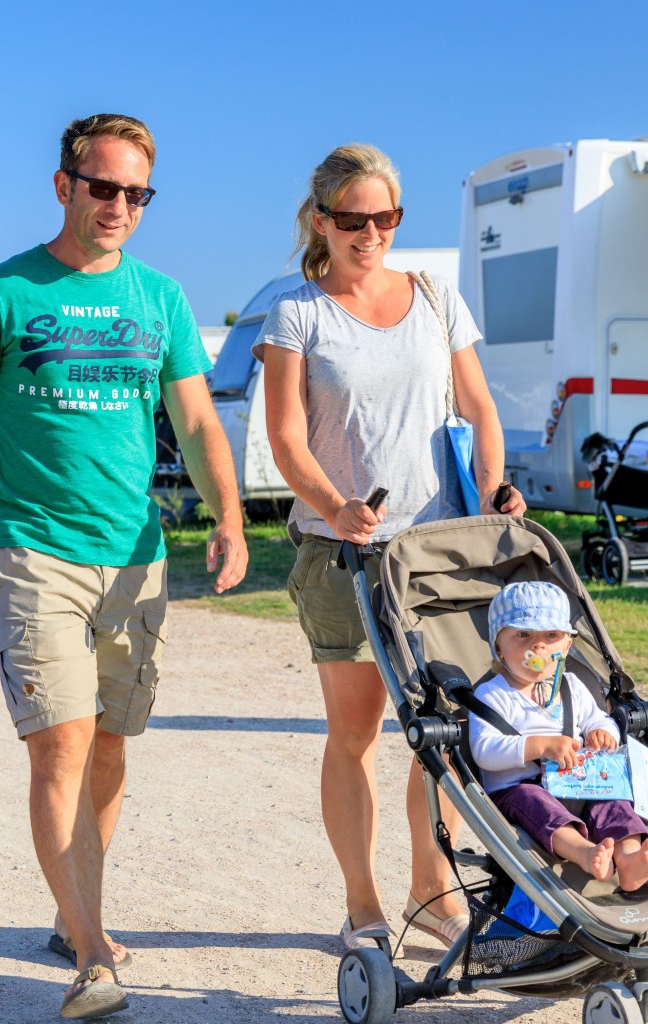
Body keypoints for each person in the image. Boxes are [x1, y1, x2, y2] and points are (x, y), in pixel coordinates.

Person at [0, 113, 247, 1020]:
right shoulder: (4, 291)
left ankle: (81, 911)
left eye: (136, 194)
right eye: (103, 187)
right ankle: (88, 957)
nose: (118, 206)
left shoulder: (161, 299)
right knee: (61, 745)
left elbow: (195, 423)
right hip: (34, 550)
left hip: (136, 559)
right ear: (64, 184)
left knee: (110, 748)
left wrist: (229, 519)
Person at [257, 143, 525, 952]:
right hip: (343, 555)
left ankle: (433, 891)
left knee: (444, 727)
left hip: (436, 551)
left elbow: (479, 408)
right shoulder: (296, 315)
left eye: (384, 218)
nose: (369, 233)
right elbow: (285, 436)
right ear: (321, 222)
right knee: (357, 734)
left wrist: (493, 486)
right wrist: (332, 505)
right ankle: (364, 902)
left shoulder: (437, 299)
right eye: (351, 219)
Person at [466, 581, 648, 893]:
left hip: (579, 784)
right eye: (523, 635)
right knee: (536, 804)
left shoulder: (571, 687)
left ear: (567, 646)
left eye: (551, 636)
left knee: (613, 800)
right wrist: (540, 745)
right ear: (498, 646)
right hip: (519, 789)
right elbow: (484, 750)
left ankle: (629, 858)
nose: (538, 647)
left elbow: (597, 718)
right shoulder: (492, 695)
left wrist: (604, 732)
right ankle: (584, 852)